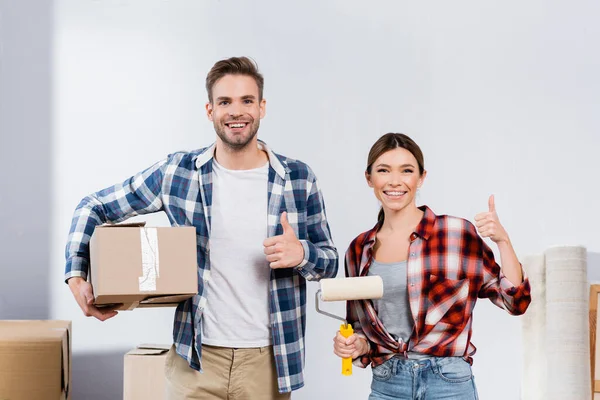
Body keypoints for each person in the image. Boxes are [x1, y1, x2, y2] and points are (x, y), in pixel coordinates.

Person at [65, 56, 339, 399]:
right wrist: (77, 276)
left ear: (262, 107)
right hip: (194, 360)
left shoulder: (298, 178)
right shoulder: (178, 172)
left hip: (267, 362)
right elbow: (94, 206)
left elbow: (329, 262)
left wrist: (301, 254)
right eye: (225, 101)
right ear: (210, 110)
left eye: (247, 101)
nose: (236, 111)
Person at [332, 133, 530, 399]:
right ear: (369, 178)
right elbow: (362, 329)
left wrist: (503, 241)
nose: (394, 181)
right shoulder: (358, 250)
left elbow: (515, 302)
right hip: (389, 384)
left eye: (406, 171)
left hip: (447, 383)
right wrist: (355, 344)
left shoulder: (456, 234)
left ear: (421, 177)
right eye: (383, 170)